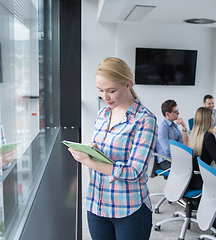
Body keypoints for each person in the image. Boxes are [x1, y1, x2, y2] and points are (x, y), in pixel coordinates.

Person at [67, 57, 157, 240]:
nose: (104, 97)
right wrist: (92, 151)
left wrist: (89, 161)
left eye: (111, 91)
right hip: (97, 203)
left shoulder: (145, 120)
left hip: (129, 208)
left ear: (128, 85)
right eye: (100, 90)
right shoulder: (103, 114)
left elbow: (134, 172)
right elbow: (105, 152)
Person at [188, 107, 216, 190]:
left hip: (192, 179)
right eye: (211, 117)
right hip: (202, 180)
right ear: (207, 119)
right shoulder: (208, 136)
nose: (212, 119)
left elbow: (204, 151)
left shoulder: (194, 133)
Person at [156, 99, 188, 170]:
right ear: (168, 114)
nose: (178, 113)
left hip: (175, 158)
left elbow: (182, 142)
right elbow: (167, 150)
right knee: (187, 170)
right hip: (166, 161)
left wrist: (184, 127)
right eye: (176, 112)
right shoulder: (162, 127)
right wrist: (181, 150)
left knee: (193, 164)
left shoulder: (174, 125)